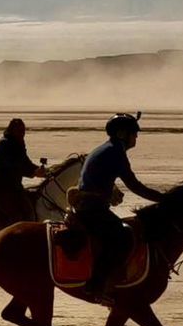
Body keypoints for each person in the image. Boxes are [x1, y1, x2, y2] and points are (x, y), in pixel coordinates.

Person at [71, 112, 165, 300]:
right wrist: (162, 199)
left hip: (88, 206)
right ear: (123, 134)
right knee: (123, 237)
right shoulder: (115, 153)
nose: (136, 137)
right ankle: (97, 286)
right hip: (93, 209)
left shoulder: (106, 149)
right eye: (134, 133)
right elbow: (134, 185)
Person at [0, 118, 47, 226]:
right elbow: (11, 165)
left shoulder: (19, 143)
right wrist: (33, 173)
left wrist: (41, 171)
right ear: (12, 130)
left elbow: (25, 162)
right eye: (19, 131)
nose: (22, 134)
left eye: (23, 131)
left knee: (30, 207)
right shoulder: (5, 144)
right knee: (16, 215)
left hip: (13, 187)